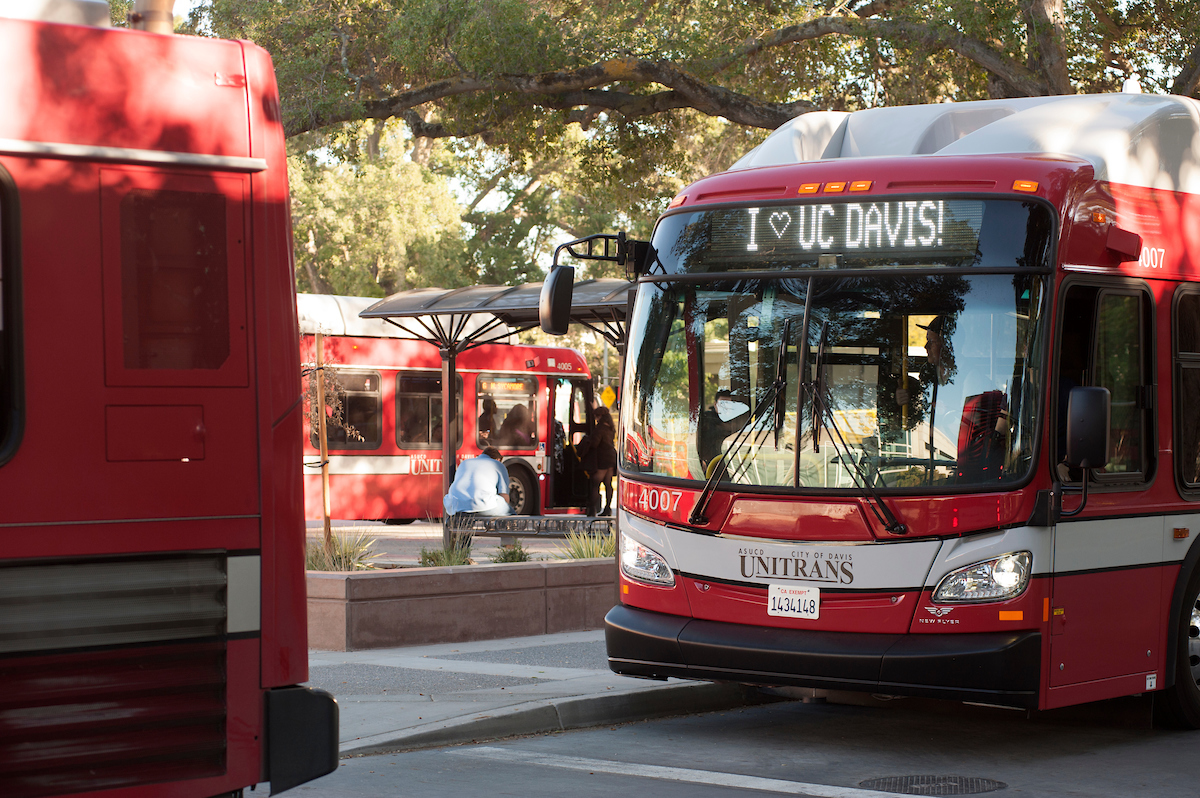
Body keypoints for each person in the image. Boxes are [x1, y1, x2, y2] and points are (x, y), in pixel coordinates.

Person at [443, 447, 511, 518]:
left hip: (454, 507)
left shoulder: (464, 463)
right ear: (498, 459)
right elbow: (504, 497)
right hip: (482, 506)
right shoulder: (498, 464)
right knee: (509, 511)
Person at [579, 406, 617, 515]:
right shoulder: (610, 428)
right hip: (611, 457)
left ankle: (591, 509)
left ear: (601, 416)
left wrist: (587, 440)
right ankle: (607, 509)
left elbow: (595, 443)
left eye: (597, 416)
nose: (596, 419)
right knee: (608, 484)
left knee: (595, 484)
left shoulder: (600, 428)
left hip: (602, 458)